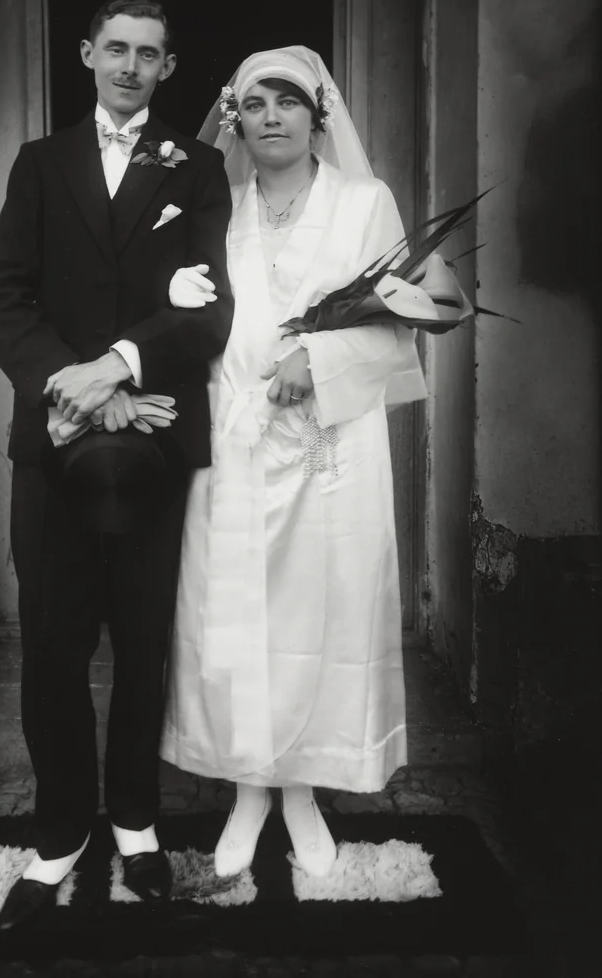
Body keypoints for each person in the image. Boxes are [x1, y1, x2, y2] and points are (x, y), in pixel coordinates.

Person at [0, 0, 234, 928]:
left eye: (150, 53)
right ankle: (60, 831)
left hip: (156, 437)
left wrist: (119, 367)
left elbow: (210, 307)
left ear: (169, 68)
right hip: (53, 442)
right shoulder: (40, 166)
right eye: (115, 47)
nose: (130, 65)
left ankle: (134, 823)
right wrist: (68, 384)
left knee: (142, 641)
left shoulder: (199, 169)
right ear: (87, 54)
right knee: (52, 644)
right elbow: (2, 295)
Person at [160, 46, 428, 880]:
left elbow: (401, 319)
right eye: (253, 103)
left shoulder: (364, 202)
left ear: (320, 115)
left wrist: (319, 359)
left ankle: (306, 788)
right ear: (233, 118)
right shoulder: (213, 206)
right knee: (234, 620)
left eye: (287, 101)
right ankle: (247, 788)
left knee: (325, 617)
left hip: (327, 450)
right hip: (232, 442)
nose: (270, 116)